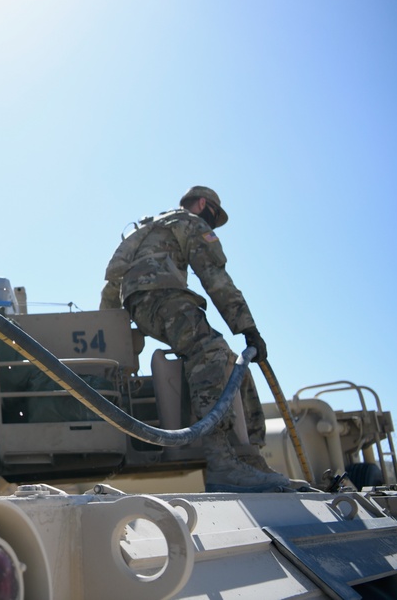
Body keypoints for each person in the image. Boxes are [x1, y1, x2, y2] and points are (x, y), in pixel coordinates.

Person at [99, 186, 290, 492]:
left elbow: (111, 288)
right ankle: (222, 462)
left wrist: (111, 339)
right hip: (165, 298)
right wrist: (248, 329)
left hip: (140, 307)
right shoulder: (189, 221)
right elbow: (214, 276)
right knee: (211, 353)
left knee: (229, 360)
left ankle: (249, 456)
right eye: (213, 218)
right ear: (203, 204)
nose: (211, 226)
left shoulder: (146, 228)